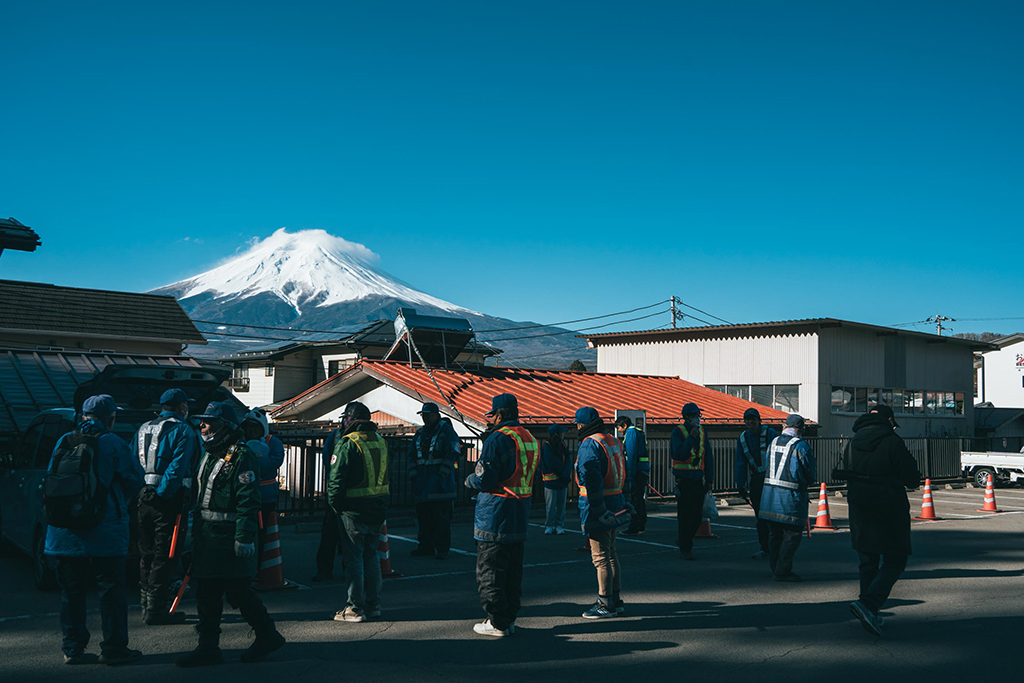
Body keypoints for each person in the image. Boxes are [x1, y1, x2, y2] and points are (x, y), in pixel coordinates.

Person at [175, 402, 285, 667]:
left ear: (224, 425)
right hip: (207, 538)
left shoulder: (241, 456)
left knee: (239, 593)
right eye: (202, 421)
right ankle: (208, 647)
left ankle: (267, 634)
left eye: (209, 421)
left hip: (228, 539)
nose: (202, 426)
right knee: (207, 593)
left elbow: (248, 500)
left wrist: (244, 537)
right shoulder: (210, 453)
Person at [46, 394, 145, 665]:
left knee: (72, 594)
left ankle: (73, 649)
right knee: (111, 591)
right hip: (105, 532)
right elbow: (134, 479)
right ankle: (113, 649)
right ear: (110, 418)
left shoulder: (63, 441)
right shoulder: (113, 443)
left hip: (64, 533)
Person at [464, 393, 540, 637]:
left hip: (495, 514)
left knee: (490, 570)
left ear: (499, 415)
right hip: (520, 513)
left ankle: (496, 621)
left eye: (492, 415)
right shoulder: (529, 437)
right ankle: (508, 619)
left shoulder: (497, 439)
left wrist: (469, 480)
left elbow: (485, 478)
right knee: (512, 571)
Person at [845, 405, 921, 636]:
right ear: (889, 419)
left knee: (867, 561)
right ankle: (869, 604)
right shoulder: (892, 441)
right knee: (895, 560)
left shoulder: (852, 442)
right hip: (889, 508)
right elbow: (912, 479)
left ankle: (870, 611)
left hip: (859, 507)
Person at [135, 388, 197, 625]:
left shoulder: (143, 428)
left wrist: (143, 492)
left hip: (144, 499)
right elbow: (178, 468)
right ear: (181, 406)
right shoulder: (183, 430)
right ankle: (156, 609)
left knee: (146, 553)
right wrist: (163, 494)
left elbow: (134, 464)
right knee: (166, 554)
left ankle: (144, 605)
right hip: (169, 501)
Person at [327, 401, 389, 622]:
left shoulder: (347, 443)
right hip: (377, 509)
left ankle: (355, 608)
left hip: (352, 511)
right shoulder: (381, 441)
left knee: (353, 559)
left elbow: (336, 480)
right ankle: (373, 605)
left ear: (350, 419)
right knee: (371, 557)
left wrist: (335, 506)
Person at [575, 407, 629, 618]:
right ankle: (615, 599)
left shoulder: (590, 444)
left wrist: (597, 510)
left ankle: (604, 603)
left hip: (598, 505)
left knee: (600, 558)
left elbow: (591, 479)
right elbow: (626, 472)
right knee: (611, 553)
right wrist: (627, 500)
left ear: (582, 425)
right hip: (616, 501)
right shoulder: (611, 440)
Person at [759, 414, 816, 582]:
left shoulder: (773, 442)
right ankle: (782, 570)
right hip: (791, 499)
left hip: (769, 498)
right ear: (800, 428)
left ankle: (775, 566)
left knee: (775, 535)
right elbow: (808, 473)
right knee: (792, 535)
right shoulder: (802, 446)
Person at [407, 402, 460, 560]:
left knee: (441, 520)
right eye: (423, 415)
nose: (425, 418)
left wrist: (441, 475)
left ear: (436, 415)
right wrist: (413, 474)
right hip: (423, 485)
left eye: (428, 415)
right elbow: (411, 455)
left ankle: (442, 548)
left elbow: (453, 452)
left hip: (440, 487)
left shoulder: (446, 431)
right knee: (424, 519)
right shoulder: (420, 434)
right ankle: (425, 546)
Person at [670, 403, 714, 560]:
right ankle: (685, 547)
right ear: (687, 417)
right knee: (684, 516)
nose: (698, 418)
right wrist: (691, 438)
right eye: (695, 415)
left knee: (696, 516)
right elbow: (678, 454)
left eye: (699, 415)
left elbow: (708, 456)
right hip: (683, 480)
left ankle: (684, 540)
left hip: (698, 480)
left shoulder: (703, 431)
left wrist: (709, 480)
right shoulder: (678, 432)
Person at [241, 408, 285, 565]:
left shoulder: (273, 442)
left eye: (255, 427)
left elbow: (273, 463)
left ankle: (263, 565)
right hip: (244, 495)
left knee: (265, 532)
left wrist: (257, 456)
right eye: (248, 427)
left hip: (266, 495)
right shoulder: (240, 442)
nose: (251, 431)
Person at [734, 408, 778, 560]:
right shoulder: (742, 438)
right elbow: (740, 463)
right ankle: (765, 547)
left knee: (774, 516)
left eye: (753, 419)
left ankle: (776, 546)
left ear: (759, 420)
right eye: (748, 419)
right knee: (761, 517)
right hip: (757, 481)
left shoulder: (770, 433)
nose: (750, 422)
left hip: (772, 480)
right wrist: (740, 484)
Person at [312, 428, 342, 581]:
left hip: (350, 496)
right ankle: (324, 570)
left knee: (345, 538)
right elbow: (326, 456)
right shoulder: (336, 434)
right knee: (330, 535)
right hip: (337, 494)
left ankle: (347, 570)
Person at [616, 416, 649, 536]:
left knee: (635, 499)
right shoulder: (638, 432)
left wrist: (629, 473)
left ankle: (634, 525)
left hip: (637, 471)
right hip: (642, 470)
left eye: (619, 427)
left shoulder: (630, 433)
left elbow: (631, 455)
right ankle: (640, 525)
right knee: (639, 499)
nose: (619, 430)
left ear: (624, 425)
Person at [539, 424, 571, 535]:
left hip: (557, 479)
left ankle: (557, 524)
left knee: (560, 504)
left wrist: (564, 473)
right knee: (552, 505)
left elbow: (567, 459)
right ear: (556, 434)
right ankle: (551, 524)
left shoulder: (561, 444)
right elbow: (551, 462)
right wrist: (564, 473)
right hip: (553, 480)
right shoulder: (547, 446)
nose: (564, 434)